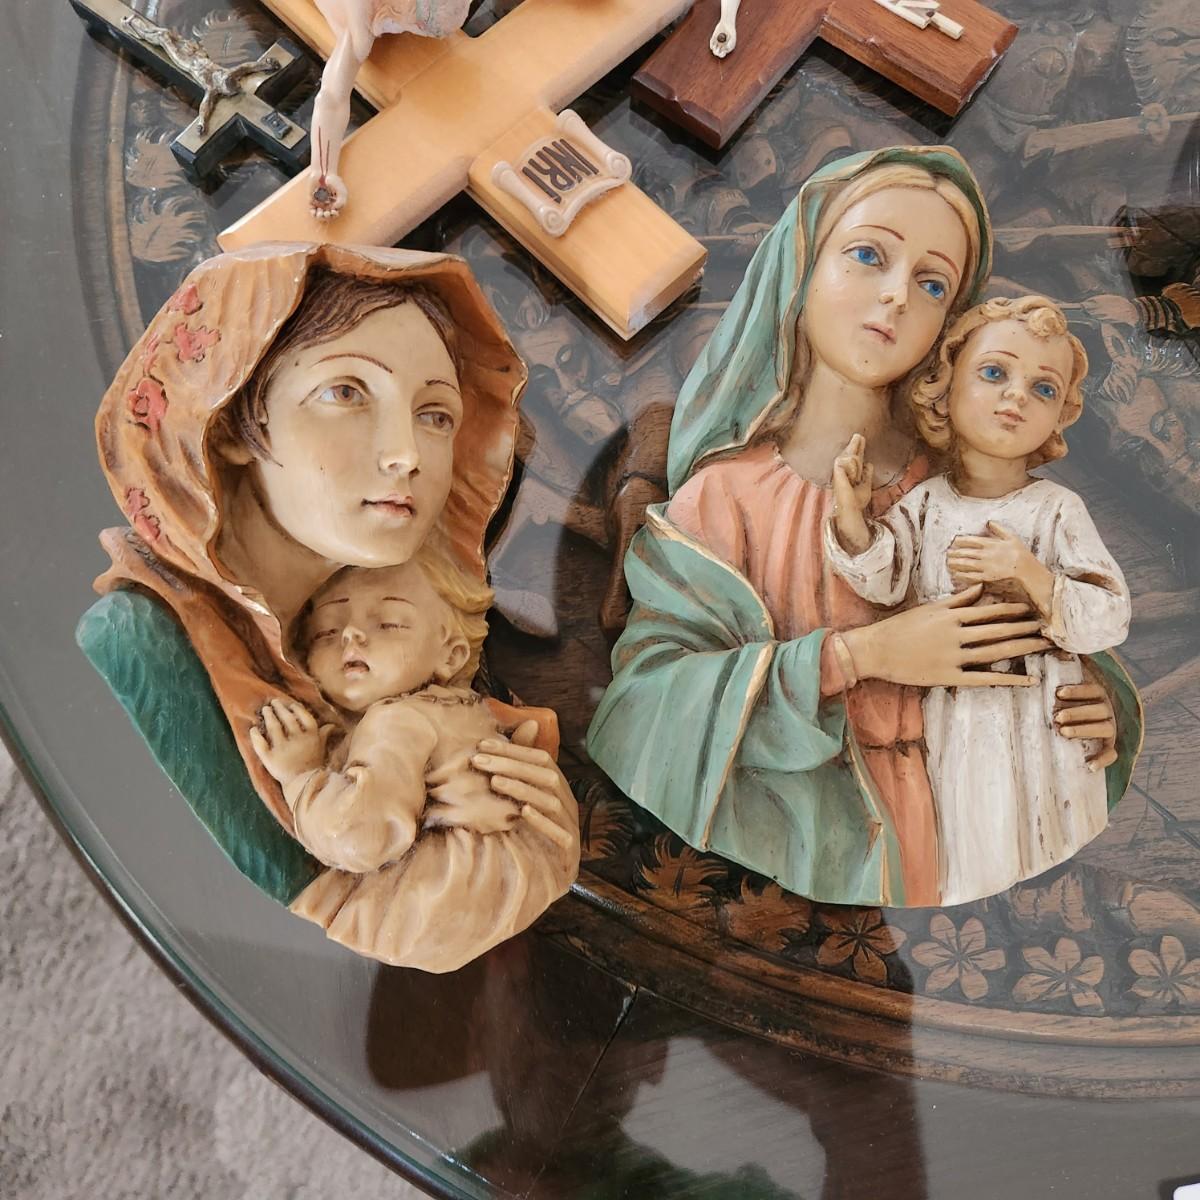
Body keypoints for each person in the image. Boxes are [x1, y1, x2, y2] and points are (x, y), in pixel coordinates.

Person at [587, 147, 1140, 908]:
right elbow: (644, 708)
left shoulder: (959, 488)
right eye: (869, 255)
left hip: (972, 820)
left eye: (932, 283)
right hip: (806, 837)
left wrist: (1092, 703)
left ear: (951, 327)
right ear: (802, 266)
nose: (895, 297)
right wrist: (862, 654)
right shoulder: (724, 500)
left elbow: (1059, 618)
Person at [82, 243, 578, 969]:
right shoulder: (149, 643)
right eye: (346, 392)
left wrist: (528, 816)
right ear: (231, 422)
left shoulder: (401, 589)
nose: (407, 454)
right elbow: (332, 893)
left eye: (436, 414)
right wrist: (497, 852)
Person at [825, 296, 1132, 903]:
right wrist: (854, 517)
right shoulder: (926, 504)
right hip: (959, 719)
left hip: (1046, 717)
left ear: (1059, 416)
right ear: (944, 391)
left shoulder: (1056, 509)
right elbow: (883, 581)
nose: (1017, 396)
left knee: (1051, 842)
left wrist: (1029, 573)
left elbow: (1109, 616)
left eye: (1043, 388)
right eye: (994, 373)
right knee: (972, 842)